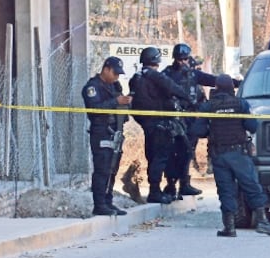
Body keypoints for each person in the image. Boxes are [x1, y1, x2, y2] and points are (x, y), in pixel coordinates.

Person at [190, 74, 270, 237]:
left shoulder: (208, 106)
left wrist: (213, 129)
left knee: (226, 191)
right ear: (232, 88)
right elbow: (252, 126)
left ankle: (229, 227)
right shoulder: (241, 104)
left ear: (215, 88)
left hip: (219, 155)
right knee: (252, 187)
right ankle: (262, 222)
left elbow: (198, 131)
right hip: (239, 154)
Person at [129, 47, 191, 205]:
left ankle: (162, 188)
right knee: (164, 156)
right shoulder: (156, 76)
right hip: (160, 122)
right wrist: (188, 98)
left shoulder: (135, 77)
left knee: (153, 156)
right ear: (156, 60)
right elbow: (174, 88)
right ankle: (156, 191)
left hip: (147, 123)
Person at [160, 43, 219, 200]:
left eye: (185, 59)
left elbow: (213, 81)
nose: (183, 62)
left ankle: (184, 184)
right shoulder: (166, 75)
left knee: (187, 152)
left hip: (190, 120)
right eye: (180, 59)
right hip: (172, 119)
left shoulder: (193, 75)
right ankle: (171, 185)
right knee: (172, 153)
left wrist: (234, 82)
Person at [81, 56, 132, 216]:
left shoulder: (114, 86)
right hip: (101, 131)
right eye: (115, 73)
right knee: (102, 169)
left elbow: (121, 103)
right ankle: (100, 204)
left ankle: (108, 202)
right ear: (106, 69)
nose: (116, 77)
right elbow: (95, 108)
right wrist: (115, 101)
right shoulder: (92, 87)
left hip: (115, 131)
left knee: (112, 169)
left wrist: (125, 101)